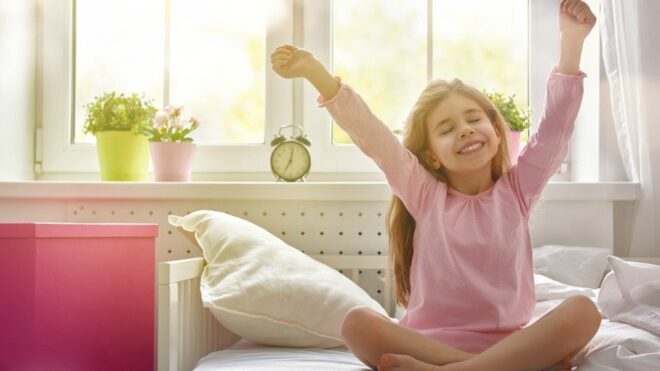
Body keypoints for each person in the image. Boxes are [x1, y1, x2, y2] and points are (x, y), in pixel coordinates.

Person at [271, 0, 599, 370]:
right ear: (431, 158)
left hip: (508, 344)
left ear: (496, 130)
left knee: (584, 311)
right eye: (447, 128)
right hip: (431, 345)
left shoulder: (517, 191)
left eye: (474, 118)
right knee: (357, 323)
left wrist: (571, 42)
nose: (465, 129)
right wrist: (316, 73)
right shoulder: (425, 195)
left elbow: (555, 131)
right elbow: (373, 136)